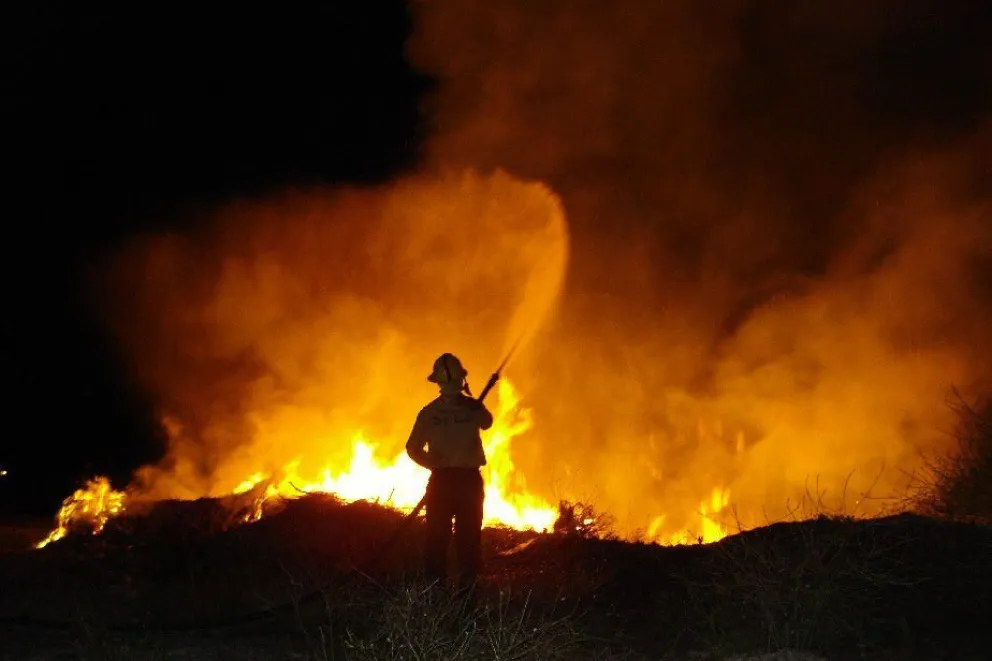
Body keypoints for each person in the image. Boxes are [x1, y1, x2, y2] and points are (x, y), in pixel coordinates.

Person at [406, 353, 494, 588]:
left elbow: (412, 448)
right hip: (468, 482)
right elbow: (487, 422)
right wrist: (475, 403)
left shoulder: (429, 413)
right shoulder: (473, 408)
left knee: (436, 535)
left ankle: (434, 588)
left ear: (438, 383)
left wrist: (432, 463)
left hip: (441, 482)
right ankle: (469, 587)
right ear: (462, 379)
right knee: (469, 535)